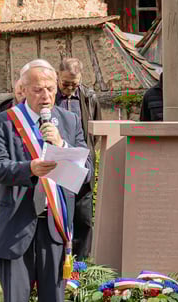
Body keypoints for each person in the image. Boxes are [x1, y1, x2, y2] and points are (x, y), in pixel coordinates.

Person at [0, 59, 92, 302]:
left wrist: (62, 147)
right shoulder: (3, 123)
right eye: (37, 89)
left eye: (49, 89)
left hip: (54, 225)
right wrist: (29, 168)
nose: (45, 96)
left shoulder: (69, 121)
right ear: (23, 90)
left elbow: (86, 173)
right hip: (16, 225)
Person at [56, 57, 101, 260]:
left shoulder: (89, 97)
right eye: (65, 84)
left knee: (83, 218)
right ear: (58, 76)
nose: (69, 89)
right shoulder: (50, 97)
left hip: (81, 164)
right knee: (59, 218)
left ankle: (80, 266)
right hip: (57, 162)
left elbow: (95, 132)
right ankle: (59, 265)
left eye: (74, 84)